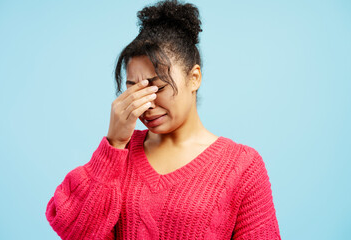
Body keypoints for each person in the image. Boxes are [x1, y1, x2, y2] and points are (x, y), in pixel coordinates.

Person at [45, 0, 281, 239]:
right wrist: (114, 144)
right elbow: (74, 229)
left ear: (194, 78)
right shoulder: (117, 155)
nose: (146, 104)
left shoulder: (242, 166)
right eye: (134, 90)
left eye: (157, 87)